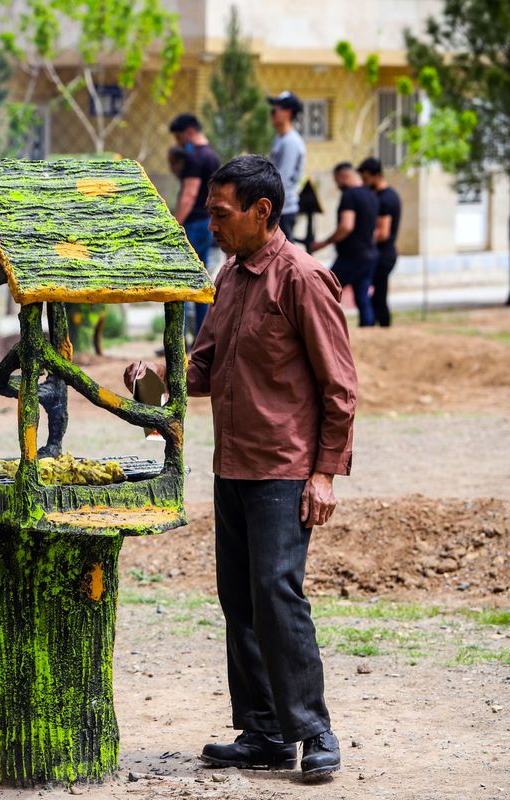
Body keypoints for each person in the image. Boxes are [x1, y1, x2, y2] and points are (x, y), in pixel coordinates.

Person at [124, 155, 357, 782]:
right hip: (233, 466)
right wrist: (155, 381)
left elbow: (339, 386)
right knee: (240, 600)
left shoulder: (303, 279)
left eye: (221, 215)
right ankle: (263, 732)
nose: (213, 226)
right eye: (210, 215)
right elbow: (202, 368)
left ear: (261, 211)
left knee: (278, 596)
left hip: (284, 468)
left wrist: (326, 472)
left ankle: (313, 731)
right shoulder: (226, 279)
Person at [168, 113, 221, 336]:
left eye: (179, 137)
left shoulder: (195, 158)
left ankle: (179, 338)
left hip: (194, 225)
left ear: (189, 132)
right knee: (201, 279)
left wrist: (174, 226)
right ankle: (200, 336)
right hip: (207, 222)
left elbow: (189, 194)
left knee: (181, 281)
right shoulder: (212, 156)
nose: (178, 143)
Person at [309, 163, 380, 327]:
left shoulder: (349, 195)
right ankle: (368, 332)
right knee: (362, 297)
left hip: (351, 256)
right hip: (370, 255)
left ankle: (321, 328)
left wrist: (323, 243)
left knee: (324, 290)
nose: (337, 185)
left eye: (336, 181)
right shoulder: (371, 196)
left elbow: (346, 226)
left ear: (343, 176)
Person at [357, 157, 401, 327]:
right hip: (380, 254)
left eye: (366, 178)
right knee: (375, 296)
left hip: (383, 255)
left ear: (376, 176)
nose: (364, 182)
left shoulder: (386, 199)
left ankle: (383, 328)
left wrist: (361, 237)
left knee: (378, 297)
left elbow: (383, 233)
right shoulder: (379, 195)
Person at [267, 91, 306, 241]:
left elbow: (281, 180)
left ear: (287, 113)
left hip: (283, 209)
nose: (272, 115)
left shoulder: (291, 142)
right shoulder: (280, 138)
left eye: (274, 111)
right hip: (277, 208)